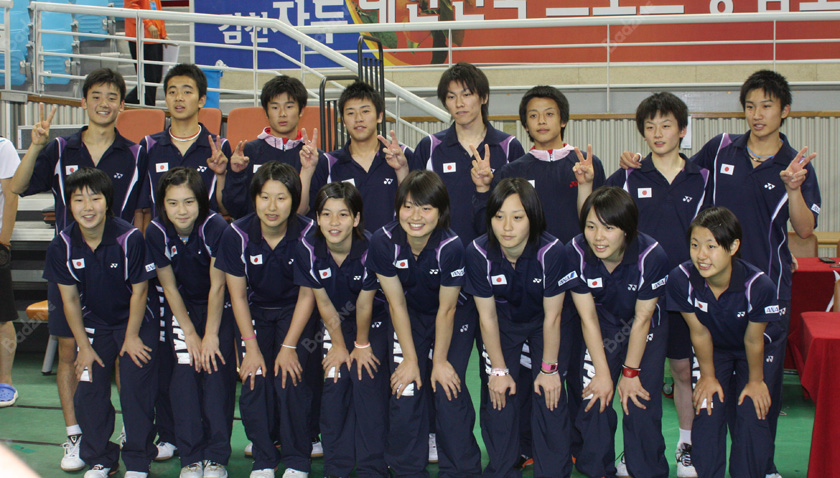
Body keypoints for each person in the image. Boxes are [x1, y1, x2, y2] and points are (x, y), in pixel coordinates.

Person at [619, 70, 821, 478]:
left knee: (759, 386)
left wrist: (793, 189)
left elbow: (804, 230)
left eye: (767, 106)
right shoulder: (721, 149)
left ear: (784, 110)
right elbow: (676, 172)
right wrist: (635, 163)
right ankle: (697, 453)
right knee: (708, 380)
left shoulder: (795, 165)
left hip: (765, 290)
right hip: (710, 289)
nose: (757, 114)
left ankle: (761, 465)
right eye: (750, 106)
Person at [10, 68, 148, 472]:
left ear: (122, 106)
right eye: (96, 96)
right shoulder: (59, 148)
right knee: (70, 349)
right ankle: (76, 435)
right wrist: (35, 147)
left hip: (118, 267)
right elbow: (15, 187)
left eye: (112, 97)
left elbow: (143, 211)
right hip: (70, 266)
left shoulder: (134, 153)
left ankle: (126, 431)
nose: (104, 104)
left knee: (122, 350)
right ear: (84, 101)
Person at [471, 85, 604, 464]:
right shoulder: (513, 170)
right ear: (525, 124)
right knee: (525, 375)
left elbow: (596, 225)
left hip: (571, 285)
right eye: (533, 115)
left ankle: (573, 449)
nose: (541, 121)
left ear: (563, 119)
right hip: (524, 290)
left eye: (549, 113)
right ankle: (525, 448)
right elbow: (491, 226)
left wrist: (587, 183)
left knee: (569, 370)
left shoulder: (583, 164)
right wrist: (483, 189)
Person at [413, 60, 525, 465]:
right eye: (451, 96)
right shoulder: (430, 148)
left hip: (497, 280)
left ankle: (504, 460)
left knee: (499, 373)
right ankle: (455, 458)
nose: (459, 103)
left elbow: (518, 214)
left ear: (483, 97)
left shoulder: (509, 147)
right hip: (448, 283)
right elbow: (417, 210)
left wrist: (486, 188)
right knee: (448, 373)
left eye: (466, 94)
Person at [606, 92, 709, 477]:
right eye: (650, 127)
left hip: (686, 295)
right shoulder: (628, 176)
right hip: (640, 298)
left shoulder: (702, 178)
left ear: (682, 130)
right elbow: (600, 222)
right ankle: (636, 453)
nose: (658, 133)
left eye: (666, 125)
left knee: (683, 372)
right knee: (639, 377)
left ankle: (687, 445)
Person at [43, 167, 158, 478]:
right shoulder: (62, 245)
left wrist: (131, 337)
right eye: (79, 200)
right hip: (95, 324)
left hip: (135, 322)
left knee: (135, 389)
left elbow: (140, 291)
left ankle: (138, 461)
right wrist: (83, 347)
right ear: (69, 204)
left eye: (95, 198)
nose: (88, 207)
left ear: (108, 202)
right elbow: (69, 300)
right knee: (88, 388)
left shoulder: (129, 238)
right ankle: (101, 459)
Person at [368, 170, 481, 478]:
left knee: (447, 387)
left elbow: (447, 309)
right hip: (409, 315)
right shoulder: (383, 242)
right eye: (407, 206)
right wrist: (410, 359)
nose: (415, 216)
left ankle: (461, 470)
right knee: (405, 386)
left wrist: (439, 361)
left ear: (440, 212)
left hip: (454, 316)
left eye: (425, 208)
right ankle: (406, 468)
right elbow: (396, 304)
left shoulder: (452, 247)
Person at [464, 177, 576, 478]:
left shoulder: (552, 251)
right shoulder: (477, 253)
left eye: (517, 218)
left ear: (532, 218)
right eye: (499, 217)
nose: (507, 227)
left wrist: (549, 370)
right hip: (501, 323)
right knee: (498, 392)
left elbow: (553, 316)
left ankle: (553, 470)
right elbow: (487, 317)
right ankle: (502, 467)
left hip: (545, 322)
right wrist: (499, 370)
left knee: (550, 394)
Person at [215, 161, 317, 478]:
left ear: (294, 200)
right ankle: (263, 457)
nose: (272, 207)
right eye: (264, 197)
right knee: (254, 379)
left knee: (291, 379)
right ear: (254, 198)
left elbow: (308, 294)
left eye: (281, 198)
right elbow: (237, 295)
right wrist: (250, 347)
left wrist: (289, 347)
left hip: (296, 312)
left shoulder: (309, 233)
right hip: (254, 313)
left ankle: (297, 458)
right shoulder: (236, 234)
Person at [666, 207, 784, 478]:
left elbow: (753, 339)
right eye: (695, 245)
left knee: (752, 410)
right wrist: (708, 377)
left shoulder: (758, 285)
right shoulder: (681, 280)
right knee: (708, 408)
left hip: (755, 348)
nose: (701, 255)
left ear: (733, 247)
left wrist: (755, 381)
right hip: (714, 347)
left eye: (711, 246)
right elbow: (699, 332)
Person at [567, 186, 670, 478]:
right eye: (591, 227)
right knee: (594, 394)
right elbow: (587, 317)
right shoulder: (575, 252)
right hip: (600, 324)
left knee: (638, 399)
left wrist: (630, 373)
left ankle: (645, 468)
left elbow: (643, 317)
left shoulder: (651, 255)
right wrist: (602, 373)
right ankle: (596, 466)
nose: (598, 237)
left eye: (608, 228)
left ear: (626, 229)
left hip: (643, 326)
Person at [144, 167, 236, 478]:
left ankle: (216, 458)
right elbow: (168, 287)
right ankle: (191, 458)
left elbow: (218, 286)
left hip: (216, 307)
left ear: (201, 202)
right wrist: (190, 333)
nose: (181, 211)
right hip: (181, 309)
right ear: (162, 204)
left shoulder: (215, 227)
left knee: (216, 380)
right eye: (172, 203)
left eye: (189, 202)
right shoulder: (156, 232)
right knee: (183, 381)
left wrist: (209, 335)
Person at [294, 182, 390, 477]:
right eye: (326, 214)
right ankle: (336, 467)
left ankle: (373, 467)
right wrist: (337, 346)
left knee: (366, 382)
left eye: (343, 214)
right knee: (335, 383)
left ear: (356, 218)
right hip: (334, 323)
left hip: (373, 323)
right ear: (317, 218)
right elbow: (322, 301)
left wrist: (360, 345)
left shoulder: (372, 248)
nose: (334, 223)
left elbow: (365, 303)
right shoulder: (308, 248)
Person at [222, 75, 329, 220]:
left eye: (289, 107)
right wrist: (236, 175)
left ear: (302, 110)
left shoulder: (315, 158)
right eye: (275, 107)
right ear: (266, 111)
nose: (282, 114)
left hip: (300, 232)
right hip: (254, 232)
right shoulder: (247, 154)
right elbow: (233, 209)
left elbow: (316, 210)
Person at [140, 63, 232, 221]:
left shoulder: (219, 147)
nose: (179, 98)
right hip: (163, 234)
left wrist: (221, 174)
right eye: (172, 92)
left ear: (201, 100)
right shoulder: (149, 145)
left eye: (187, 92)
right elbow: (144, 208)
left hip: (205, 234)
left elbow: (225, 209)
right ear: (166, 99)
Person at [324, 80, 417, 233]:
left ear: (379, 116)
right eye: (350, 113)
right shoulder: (328, 162)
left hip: (394, 244)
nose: (358, 118)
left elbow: (418, 207)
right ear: (343, 121)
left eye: (365, 111)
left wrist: (402, 171)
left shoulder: (403, 156)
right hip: (348, 246)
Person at [0, 135, 20, 408]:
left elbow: (11, 194)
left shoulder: (3, 147)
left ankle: (5, 382)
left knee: (2, 317)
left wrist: (3, 240)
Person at [124, 0, 167, 106]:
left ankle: (129, 102)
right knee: (149, 79)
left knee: (155, 78)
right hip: (141, 38)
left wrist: (163, 34)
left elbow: (157, 10)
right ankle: (148, 108)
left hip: (154, 37)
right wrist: (148, 24)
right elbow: (131, 7)